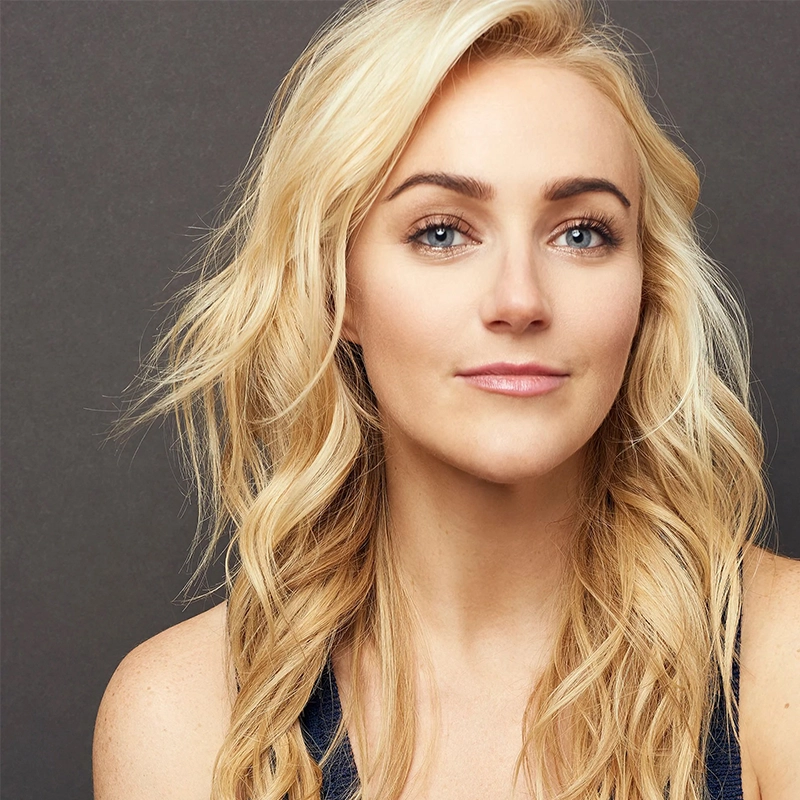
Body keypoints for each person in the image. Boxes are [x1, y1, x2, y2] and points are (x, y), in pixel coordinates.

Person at [92, 1, 800, 798]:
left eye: (581, 233)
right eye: (441, 232)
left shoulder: (783, 664)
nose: (520, 299)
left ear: (646, 287)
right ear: (338, 290)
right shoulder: (184, 716)